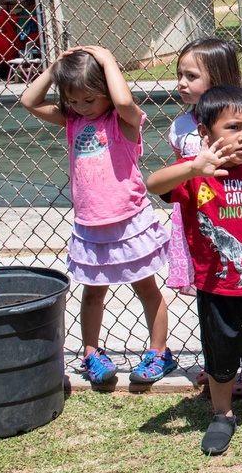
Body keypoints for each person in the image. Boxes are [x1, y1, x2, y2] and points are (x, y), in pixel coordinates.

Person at [146, 85, 242, 454]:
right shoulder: (194, 176)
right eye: (233, 127)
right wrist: (191, 167)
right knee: (222, 357)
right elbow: (152, 184)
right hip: (216, 289)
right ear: (205, 133)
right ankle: (223, 414)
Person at [19, 46, 173, 386]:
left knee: (146, 288)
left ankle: (159, 352)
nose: (80, 108)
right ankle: (92, 353)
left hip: (128, 221)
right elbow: (29, 101)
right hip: (90, 226)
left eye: (89, 100)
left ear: (105, 89)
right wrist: (56, 66)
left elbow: (121, 102)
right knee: (92, 293)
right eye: (73, 101)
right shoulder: (73, 121)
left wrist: (107, 58)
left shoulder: (124, 122)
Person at [165, 38, 242, 298]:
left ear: (217, 79)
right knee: (206, 282)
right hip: (194, 216)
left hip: (231, 211)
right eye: (180, 75)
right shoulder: (181, 127)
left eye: (191, 76)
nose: (181, 83)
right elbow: (179, 168)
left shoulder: (239, 124)